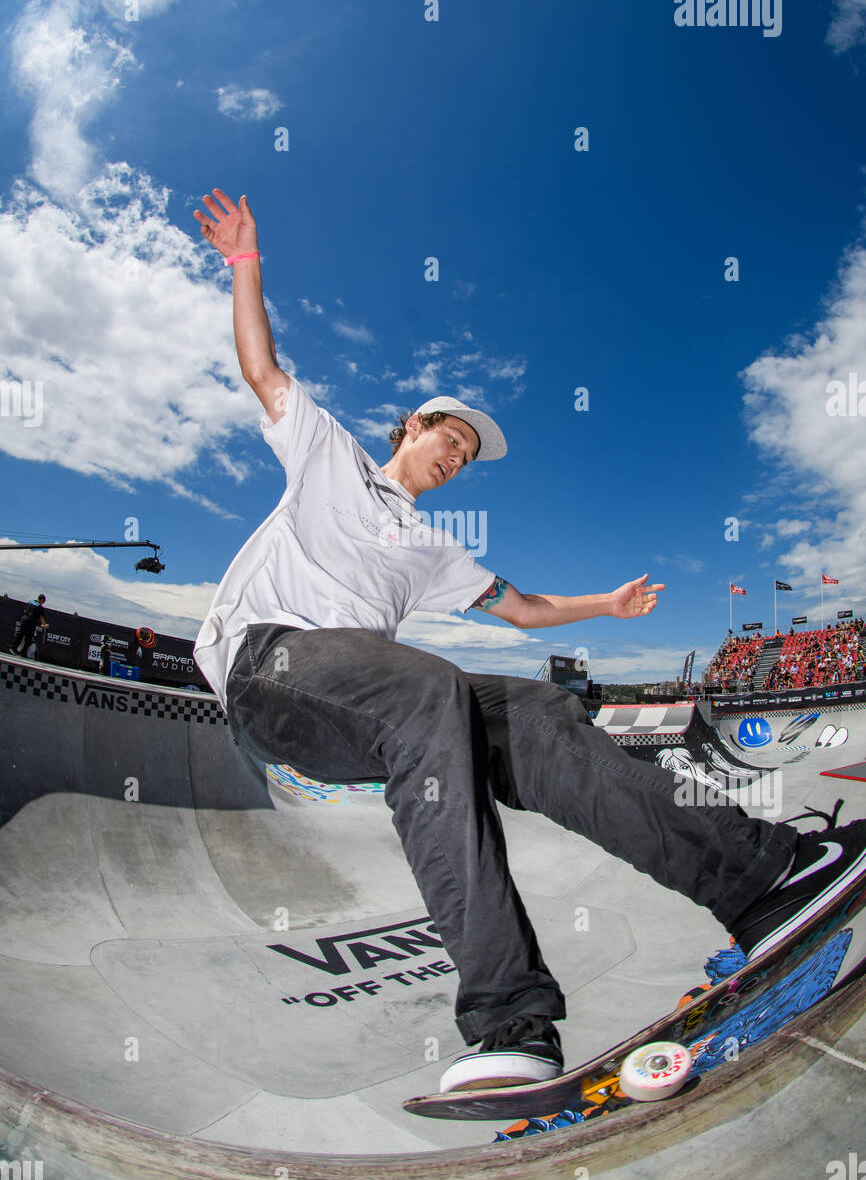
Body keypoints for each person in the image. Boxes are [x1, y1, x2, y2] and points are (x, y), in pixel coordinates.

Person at [192, 188, 866, 1092]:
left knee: (539, 710)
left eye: (468, 457)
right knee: (426, 685)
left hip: (367, 698)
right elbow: (262, 369)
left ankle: (762, 879)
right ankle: (507, 1019)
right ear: (411, 428)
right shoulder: (327, 456)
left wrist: (611, 604)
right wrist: (245, 261)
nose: (455, 458)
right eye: (449, 439)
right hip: (268, 672)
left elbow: (523, 610)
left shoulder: (434, 547)